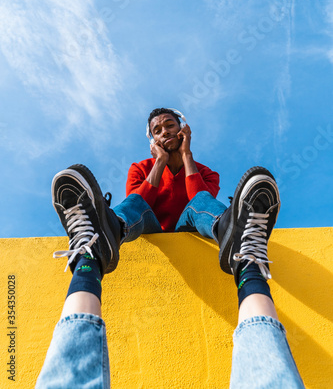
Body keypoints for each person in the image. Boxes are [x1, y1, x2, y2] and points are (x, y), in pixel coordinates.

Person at [36, 163, 305, 388]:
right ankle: (104, 238)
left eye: (170, 126)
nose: (165, 131)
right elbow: (142, 198)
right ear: (152, 139)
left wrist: (186, 157)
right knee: (138, 203)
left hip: (192, 225)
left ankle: (233, 242)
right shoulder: (140, 168)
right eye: (157, 130)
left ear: (182, 130)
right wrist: (160, 161)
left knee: (198, 201)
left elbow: (198, 193)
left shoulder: (205, 171)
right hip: (149, 227)